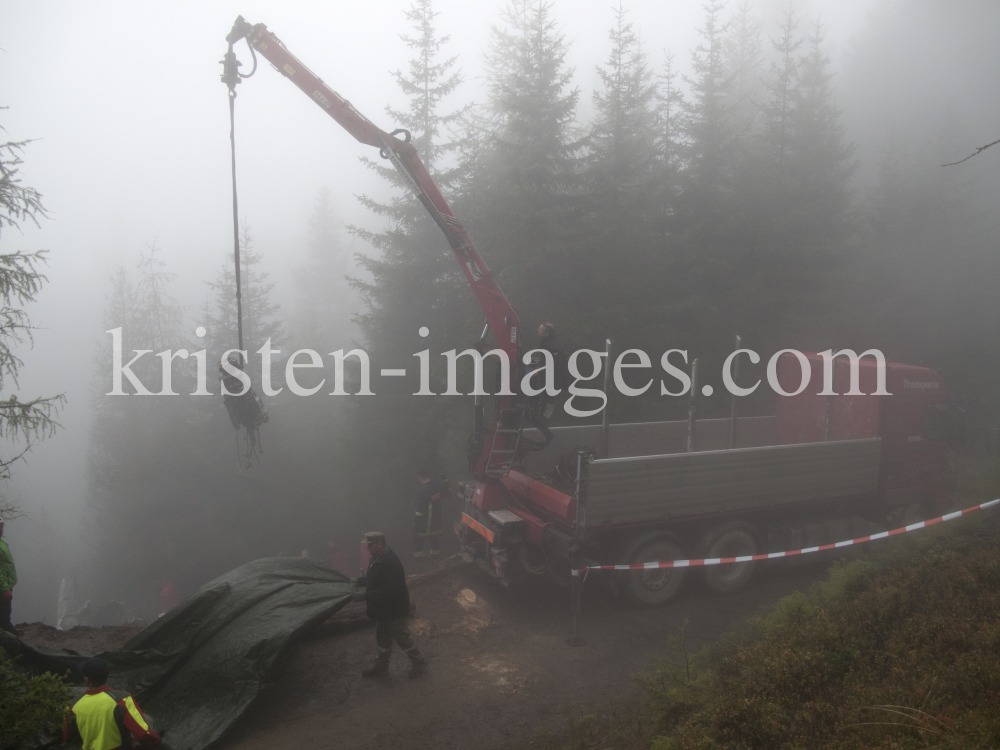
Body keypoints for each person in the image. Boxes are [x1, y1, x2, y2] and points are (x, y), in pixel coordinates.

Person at [354, 531, 426, 679]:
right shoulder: (377, 558)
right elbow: (373, 579)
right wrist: (359, 582)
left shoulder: (391, 561)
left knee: (403, 639)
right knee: (382, 641)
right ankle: (381, 669)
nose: (368, 548)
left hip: (394, 610)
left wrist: (364, 596)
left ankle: (419, 663)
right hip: (383, 610)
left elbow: (388, 591)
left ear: (380, 544)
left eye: (371, 545)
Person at [63, 657, 162, 749]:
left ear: (86, 679)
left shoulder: (73, 705)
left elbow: (67, 737)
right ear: (106, 675)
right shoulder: (122, 699)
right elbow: (142, 733)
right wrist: (158, 743)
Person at [413, 471, 444, 564]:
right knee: (434, 540)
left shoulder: (421, 491)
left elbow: (420, 511)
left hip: (424, 523)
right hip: (436, 522)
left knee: (417, 541)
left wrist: (415, 525)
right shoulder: (437, 486)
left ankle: (421, 564)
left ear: (420, 477)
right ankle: (437, 561)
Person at [0, 516, 16, 635]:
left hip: (6, 583)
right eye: (0, 526)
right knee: (3, 612)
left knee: (6, 611)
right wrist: (5, 589)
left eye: (2, 526)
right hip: (2, 586)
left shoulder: (1, 542)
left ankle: (8, 629)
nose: (2, 528)